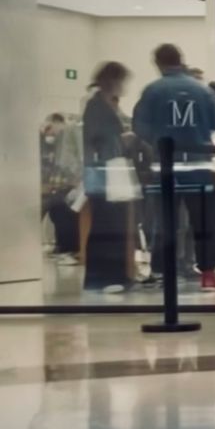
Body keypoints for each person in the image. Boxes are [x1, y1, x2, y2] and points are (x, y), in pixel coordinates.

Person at [131, 43, 215, 290]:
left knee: (165, 222)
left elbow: (140, 126)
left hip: (166, 168)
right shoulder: (203, 91)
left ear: (158, 64)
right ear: (181, 60)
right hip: (199, 165)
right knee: (203, 223)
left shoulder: (152, 91)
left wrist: (159, 142)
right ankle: (208, 272)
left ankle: (163, 272)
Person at [81, 62, 136, 292]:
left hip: (111, 169)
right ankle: (103, 276)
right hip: (105, 171)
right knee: (106, 224)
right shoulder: (96, 106)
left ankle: (114, 274)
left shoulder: (106, 105)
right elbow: (97, 140)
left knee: (113, 223)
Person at [40, 114, 82, 263]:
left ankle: (67, 247)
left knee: (62, 213)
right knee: (57, 213)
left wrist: (75, 179)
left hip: (69, 184)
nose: (50, 134)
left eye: (50, 128)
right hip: (60, 184)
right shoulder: (59, 141)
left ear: (58, 123)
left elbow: (71, 162)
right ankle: (63, 246)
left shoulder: (70, 133)